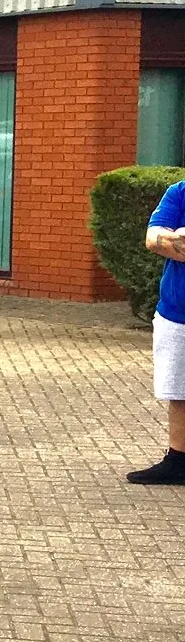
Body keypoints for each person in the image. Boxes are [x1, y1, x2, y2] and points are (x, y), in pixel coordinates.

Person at [131, 179, 185, 483]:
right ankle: (179, 461)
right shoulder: (179, 193)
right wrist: (174, 240)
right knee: (179, 391)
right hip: (177, 312)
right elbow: (153, 238)